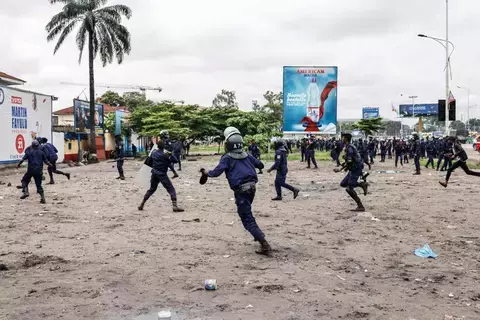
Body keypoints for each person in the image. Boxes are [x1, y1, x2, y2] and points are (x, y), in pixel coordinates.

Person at [200, 127, 271, 256]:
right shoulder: (247, 155)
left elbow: (216, 173)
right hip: (252, 188)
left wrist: (206, 173)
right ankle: (256, 233)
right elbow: (260, 165)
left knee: (246, 218)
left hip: (241, 191)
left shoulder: (227, 158)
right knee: (248, 212)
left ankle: (263, 242)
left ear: (228, 144)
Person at [138, 140, 183, 212]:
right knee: (171, 189)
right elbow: (175, 161)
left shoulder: (153, 152)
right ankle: (175, 206)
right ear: (164, 146)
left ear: (157, 146)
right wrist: (171, 154)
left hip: (154, 173)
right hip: (162, 174)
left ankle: (142, 204)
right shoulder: (166, 155)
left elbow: (149, 162)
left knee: (152, 189)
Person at [334, 133, 368, 212]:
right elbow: (349, 161)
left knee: (349, 188)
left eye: (342, 138)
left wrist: (340, 169)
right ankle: (361, 184)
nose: (341, 139)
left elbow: (349, 161)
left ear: (346, 138)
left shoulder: (349, 148)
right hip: (353, 168)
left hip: (356, 168)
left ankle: (360, 205)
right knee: (343, 184)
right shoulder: (348, 147)